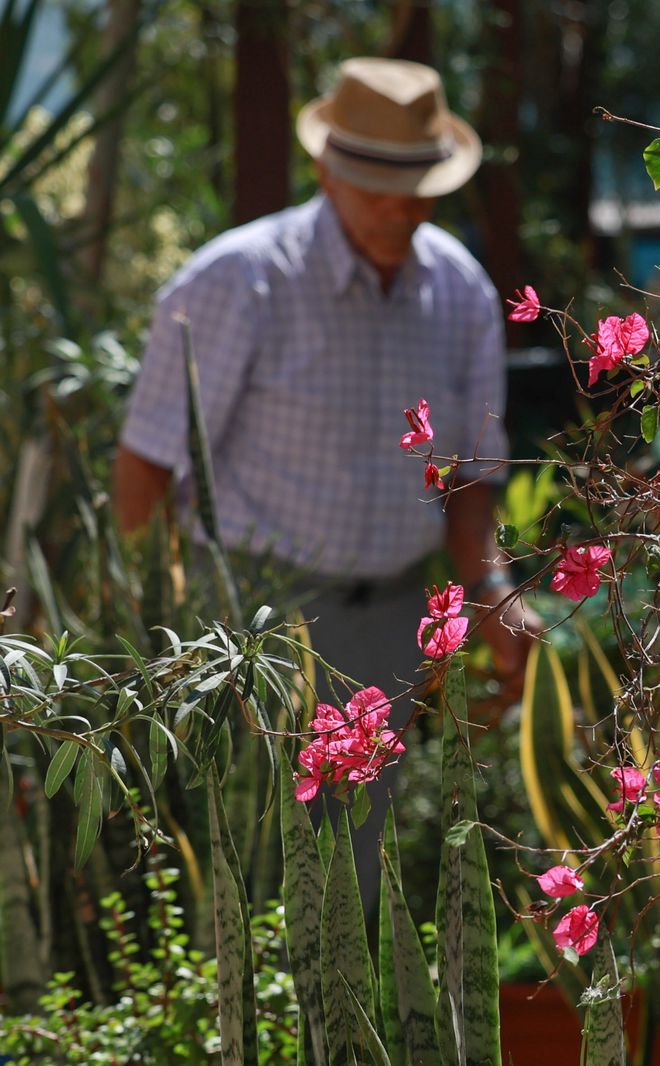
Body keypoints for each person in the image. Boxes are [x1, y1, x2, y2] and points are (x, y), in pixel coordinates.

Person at [112, 57, 536, 901]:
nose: (399, 206)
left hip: (387, 628)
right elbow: (145, 466)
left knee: (353, 891)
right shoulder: (239, 280)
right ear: (326, 170)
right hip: (247, 630)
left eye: (417, 184)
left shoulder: (460, 291)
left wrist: (496, 596)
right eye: (376, 183)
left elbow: (469, 488)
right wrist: (147, 625)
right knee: (233, 876)